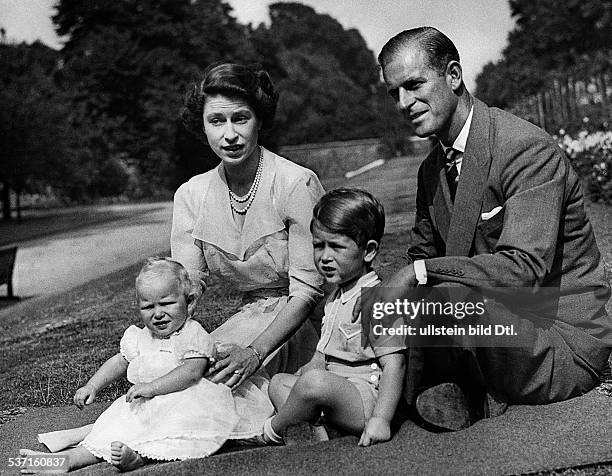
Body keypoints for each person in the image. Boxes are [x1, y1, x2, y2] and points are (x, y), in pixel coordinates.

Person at [358, 27, 612, 430]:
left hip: (557, 335)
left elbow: (524, 269)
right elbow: (422, 254)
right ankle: (399, 388)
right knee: (370, 309)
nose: (404, 103)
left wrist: (418, 275)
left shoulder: (525, 149)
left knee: (434, 298)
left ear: (453, 76)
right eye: (394, 93)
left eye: (413, 85)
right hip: (488, 320)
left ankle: (456, 389)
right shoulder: (431, 171)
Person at [22, 258, 271, 472]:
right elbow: (119, 361)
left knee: (173, 431)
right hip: (146, 402)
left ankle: (139, 458)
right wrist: (93, 385)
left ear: (189, 301)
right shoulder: (139, 337)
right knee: (110, 428)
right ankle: (64, 461)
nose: (158, 313)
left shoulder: (192, 334)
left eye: (166, 304)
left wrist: (153, 387)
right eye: (148, 307)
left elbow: (192, 371)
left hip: (185, 399)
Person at [173, 62, 325, 389]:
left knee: (221, 390)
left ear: (259, 121)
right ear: (202, 127)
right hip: (248, 320)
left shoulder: (295, 183)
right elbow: (185, 286)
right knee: (178, 381)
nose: (229, 134)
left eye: (240, 118)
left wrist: (254, 353)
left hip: (308, 326)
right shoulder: (191, 195)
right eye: (216, 121)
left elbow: (307, 291)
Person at [261, 189, 406, 446]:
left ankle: (270, 431)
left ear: (369, 251)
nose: (325, 257)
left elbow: (395, 365)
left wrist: (381, 419)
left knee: (314, 384)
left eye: (336, 247)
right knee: (279, 383)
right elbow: (322, 354)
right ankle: (322, 430)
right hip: (334, 391)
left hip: (363, 400)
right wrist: (303, 378)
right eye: (318, 246)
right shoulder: (337, 295)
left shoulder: (377, 298)